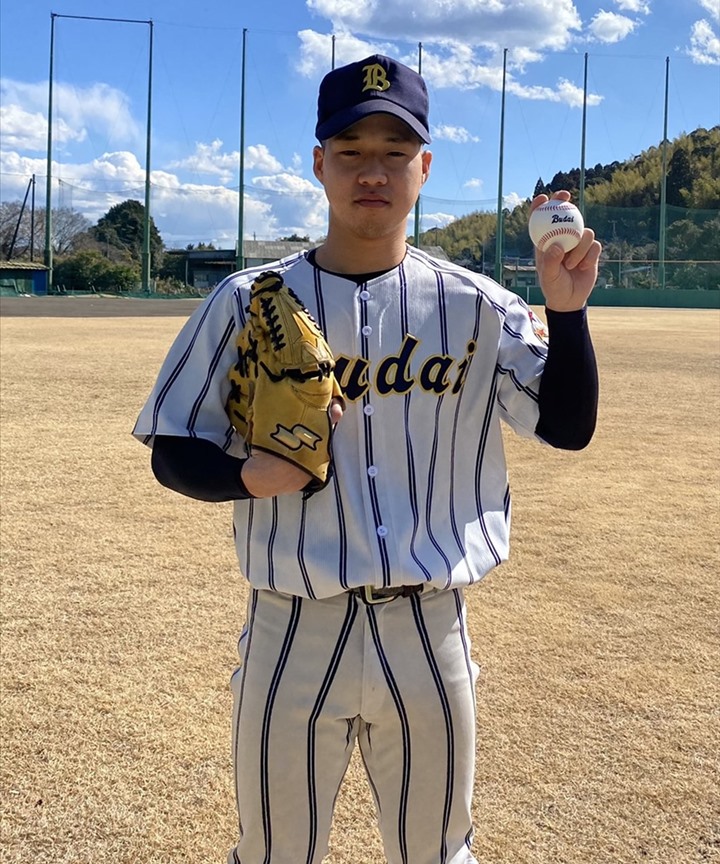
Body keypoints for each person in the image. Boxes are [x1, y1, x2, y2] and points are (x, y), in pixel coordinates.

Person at [133, 54, 600, 864]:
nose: (372, 172)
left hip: (428, 627)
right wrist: (246, 476)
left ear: (425, 167)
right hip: (291, 626)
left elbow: (566, 427)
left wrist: (568, 313)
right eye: (350, 151)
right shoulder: (246, 301)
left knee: (436, 855)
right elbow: (172, 446)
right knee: (274, 854)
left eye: (394, 151)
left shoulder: (477, 305)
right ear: (320, 165)